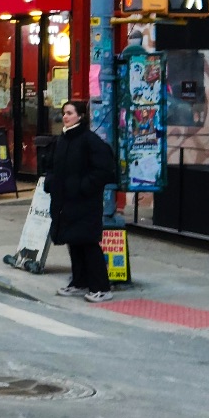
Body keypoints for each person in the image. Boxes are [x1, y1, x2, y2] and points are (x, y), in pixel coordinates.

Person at [49, 99, 121, 303]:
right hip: (66, 201)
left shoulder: (90, 140)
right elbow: (53, 166)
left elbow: (104, 170)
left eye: (70, 113)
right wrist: (51, 183)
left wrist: (83, 187)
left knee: (88, 243)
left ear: (80, 116)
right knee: (74, 242)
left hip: (85, 202)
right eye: (64, 113)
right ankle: (79, 282)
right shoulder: (63, 139)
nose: (65, 116)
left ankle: (101, 287)